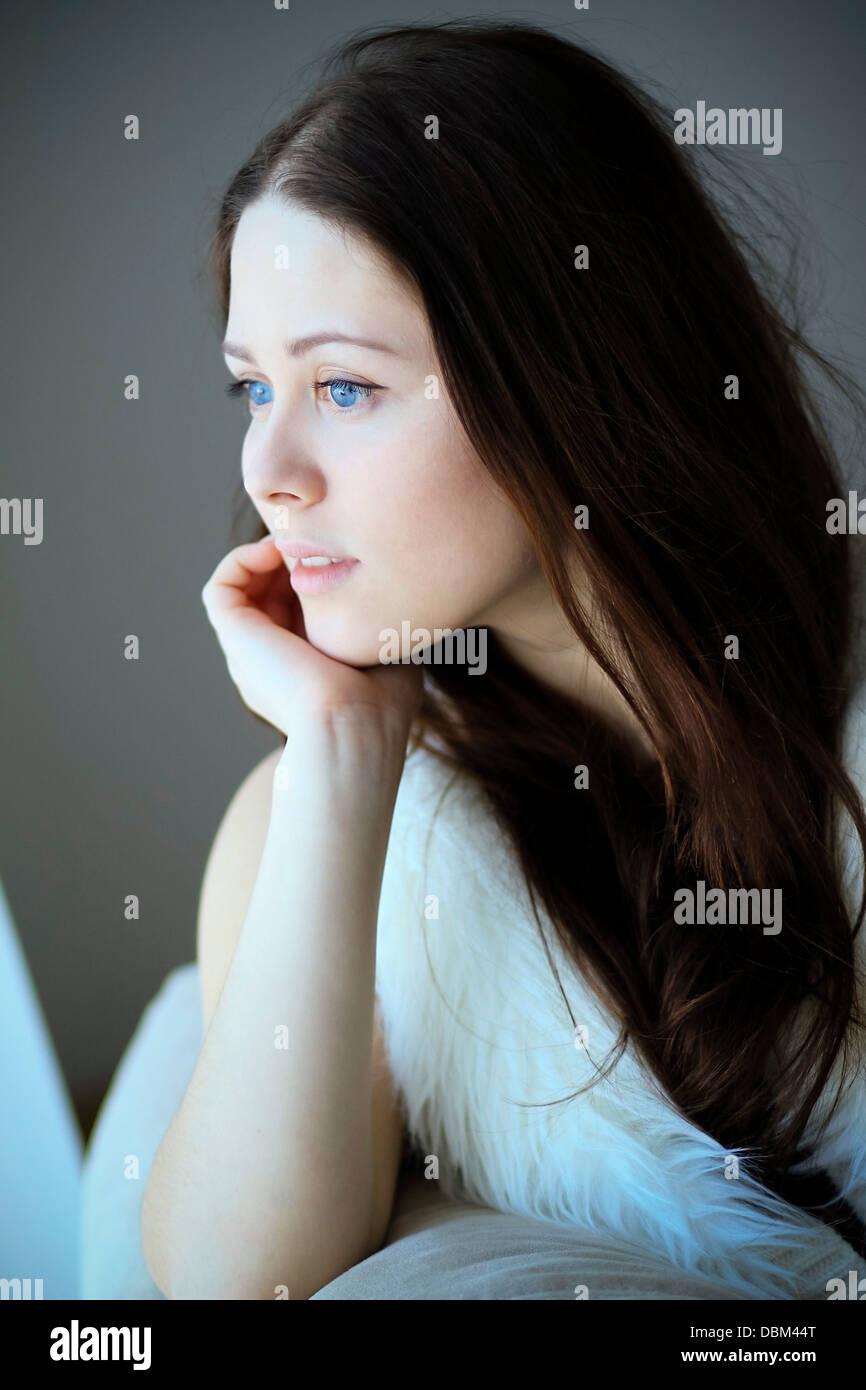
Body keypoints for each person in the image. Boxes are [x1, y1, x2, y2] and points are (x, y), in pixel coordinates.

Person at [140, 19, 866, 1299]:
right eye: (251, 387)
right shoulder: (308, 829)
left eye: (345, 388)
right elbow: (236, 1286)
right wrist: (345, 755)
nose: (268, 473)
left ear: (568, 369)